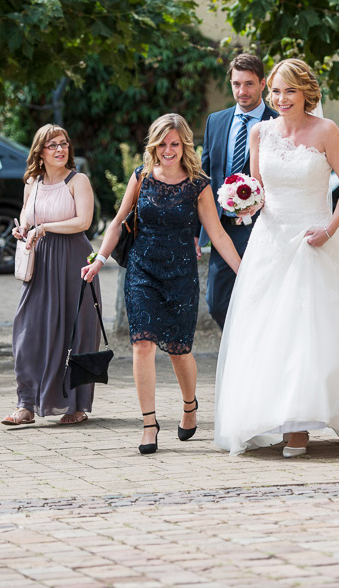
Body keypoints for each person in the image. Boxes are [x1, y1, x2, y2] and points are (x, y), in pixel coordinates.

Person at [213, 59, 339, 457]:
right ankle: (271, 416)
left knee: (307, 330)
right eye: (276, 92)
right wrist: (243, 203)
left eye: (289, 91)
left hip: (311, 238)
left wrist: (330, 228)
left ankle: (299, 427)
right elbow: (258, 188)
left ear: (306, 93)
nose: (280, 99)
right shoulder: (259, 132)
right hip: (269, 240)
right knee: (266, 330)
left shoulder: (327, 131)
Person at [82, 114, 242, 454]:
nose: (168, 150)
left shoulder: (198, 184)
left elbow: (217, 234)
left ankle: (189, 406)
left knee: (180, 351)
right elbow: (117, 221)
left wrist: (243, 271)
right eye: (162, 144)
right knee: (142, 344)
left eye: (175, 144)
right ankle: (149, 424)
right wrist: (98, 260)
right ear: (153, 145)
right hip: (142, 271)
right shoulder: (140, 177)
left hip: (181, 275)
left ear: (184, 145)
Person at [2, 124, 100, 427]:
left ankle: (78, 405)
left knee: (77, 332)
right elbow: (26, 218)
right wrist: (22, 230)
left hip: (74, 261)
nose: (60, 150)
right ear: (40, 153)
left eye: (64, 143)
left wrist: (46, 228)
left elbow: (83, 222)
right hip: (40, 262)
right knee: (28, 331)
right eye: (52, 145)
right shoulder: (32, 182)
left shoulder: (78, 180)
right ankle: (26, 404)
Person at [199, 53, 278, 329]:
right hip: (223, 230)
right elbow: (203, 178)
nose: (242, 91)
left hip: (263, 227)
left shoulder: (278, 122)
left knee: (265, 298)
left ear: (263, 84)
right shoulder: (216, 121)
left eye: (249, 84)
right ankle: (241, 350)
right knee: (217, 304)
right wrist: (196, 234)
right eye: (236, 84)